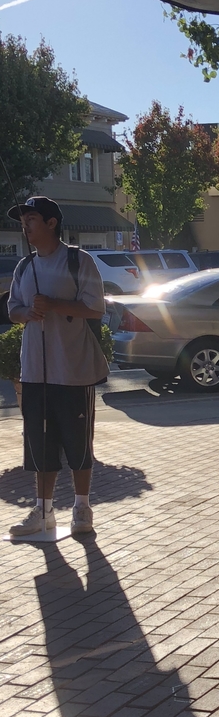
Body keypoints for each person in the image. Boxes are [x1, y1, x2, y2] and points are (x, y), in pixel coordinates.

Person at [7, 196, 109, 536]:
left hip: (74, 369)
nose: (25, 226)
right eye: (23, 220)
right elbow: (14, 310)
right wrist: (28, 313)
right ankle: (43, 511)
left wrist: (53, 304)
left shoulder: (79, 261)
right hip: (34, 371)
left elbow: (95, 309)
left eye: (32, 218)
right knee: (40, 442)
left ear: (51, 223)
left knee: (78, 442)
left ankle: (82, 507)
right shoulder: (23, 266)